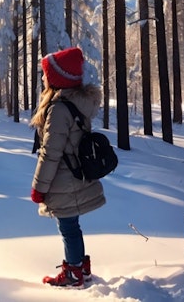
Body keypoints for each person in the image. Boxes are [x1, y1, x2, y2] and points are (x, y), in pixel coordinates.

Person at [29, 46, 106, 288]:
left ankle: (74, 273)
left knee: (68, 227)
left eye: (46, 74)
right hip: (74, 175)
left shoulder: (59, 109)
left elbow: (50, 153)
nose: (43, 77)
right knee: (72, 225)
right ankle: (80, 267)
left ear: (58, 78)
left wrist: (38, 188)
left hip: (64, 179)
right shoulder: (73, 104)